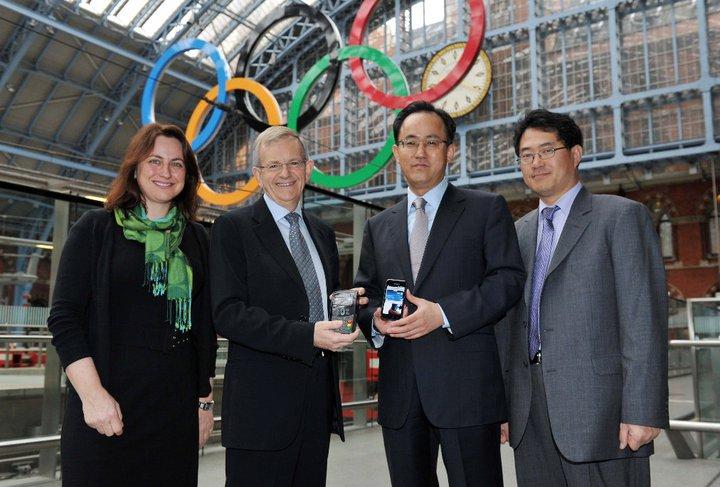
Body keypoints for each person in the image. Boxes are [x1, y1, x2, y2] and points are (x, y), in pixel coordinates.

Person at [353, 101, 525, 486]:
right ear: (396, 152)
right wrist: (375, 320)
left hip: (467, 391)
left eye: (432, 142)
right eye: (410, 142)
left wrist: (443, 314)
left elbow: (508, 280)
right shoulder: (379, 226)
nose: (420, 152)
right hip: (400, 393)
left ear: (450, 151)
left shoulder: (485, 209)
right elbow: (368, 293)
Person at [498, 108, 669, 486]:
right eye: (526, 155)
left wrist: (643, 409)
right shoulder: (517, 233)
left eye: (547, 150)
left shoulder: (621, 217)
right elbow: (508, 325)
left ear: (575, 154)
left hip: (603, 413)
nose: (536, 162)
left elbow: (643, 318)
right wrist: (503, 406)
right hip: (529, 413)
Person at [47, 123, 217, 486]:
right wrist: (93, 397)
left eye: (176, 164)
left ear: (187, 175)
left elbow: (204, 330)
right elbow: (64, 319)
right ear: (135, 167)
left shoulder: (197, 238)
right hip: (106, 410)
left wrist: (204, 402)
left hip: (173, 416)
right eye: (155, 160)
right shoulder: (96, 228)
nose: (165, 172)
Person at [210, 126, 364, 487]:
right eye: (273, 165)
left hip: (315, 404)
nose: (285, 173)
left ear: (308, 169)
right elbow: (228, 313)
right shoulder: (233, 228)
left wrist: (345, 306)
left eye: (294, 163)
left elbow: (311, 300)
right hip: (260, 410)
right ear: (258, 174)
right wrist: (308, 335)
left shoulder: (322, 233)